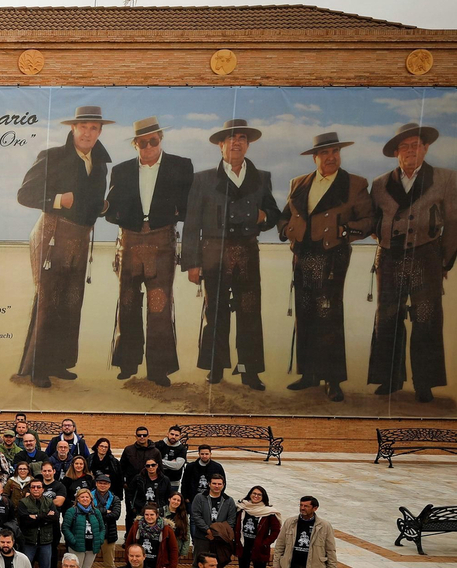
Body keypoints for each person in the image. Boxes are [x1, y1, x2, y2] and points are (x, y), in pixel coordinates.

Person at [15, 105, 113, 388]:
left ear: (100, 132)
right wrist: (58, 199)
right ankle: (37, 369)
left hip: (79, 239)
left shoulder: (101, 163)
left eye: (93, 128)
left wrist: (103, 207)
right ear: (73, 128)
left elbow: (91, 200)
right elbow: (25, 195)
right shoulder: (52, 155)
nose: (87, 132)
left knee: (71, 301)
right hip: (52, 235)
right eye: (83, 127)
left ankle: (59, 364)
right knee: (49, 299)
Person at [183, 119, 281, 389]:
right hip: (213, 254)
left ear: (248, 145)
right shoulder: (202, 179)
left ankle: (250, 371)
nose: (236, 143)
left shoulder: (262, 178)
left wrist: (262, 215)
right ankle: (215, 368)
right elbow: (191, 224)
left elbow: (274, 214)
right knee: (215, 313)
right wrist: (192, 263)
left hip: (248, 253)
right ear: (220, 145)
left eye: (241, 138)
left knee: (250, 313)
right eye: (230, 138)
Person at [278, 132, 374, 401]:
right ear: (315, 157)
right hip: (303, 255)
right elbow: (284, 215)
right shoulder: (298, 183)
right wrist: (287, 230)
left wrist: (345, 231)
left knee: (328, 314)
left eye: (336, 152)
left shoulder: (354, 184)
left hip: (333, 256)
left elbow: (368, 220)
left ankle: (333, 380)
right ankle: (308, 374)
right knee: (305, 311)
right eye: (326, 153)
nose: (332, 157)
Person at [367, 122, 456, 402]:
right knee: (388, 317)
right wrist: (383, 237)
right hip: (390, 258)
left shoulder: (445, 178)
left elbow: (453, 223)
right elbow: (372, 220)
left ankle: (424, 383)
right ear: (396, 152)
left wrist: (444, 262)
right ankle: (389, 380)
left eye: (415, 145)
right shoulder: (380, 183)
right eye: (404, 147)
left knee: (427, 318)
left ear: (426, 148)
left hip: (426, 257)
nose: (410, 151)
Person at [106, 116, 193, 386]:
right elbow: (110, 210)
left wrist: (173, 214)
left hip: (163, 244)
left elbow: (190, 207)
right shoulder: (120, 171)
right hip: (129, 242)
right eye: (142, 143)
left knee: (159, 305)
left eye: (152, 141)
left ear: (160, 140)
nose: (148, 147)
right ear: (135, 145)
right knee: (129, 302)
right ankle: (128, 363)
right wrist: (123, 216)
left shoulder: (181, 166)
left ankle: (159, 369)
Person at [234, 485, 282, 568]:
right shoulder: (242, 508)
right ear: (250, 494)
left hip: (259, 549)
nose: (256, 496)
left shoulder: (268, 512)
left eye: (259, 495)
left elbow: (276, 530)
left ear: (263, 497)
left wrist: (265, 543)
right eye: (254, 493)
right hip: (244, 546)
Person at [61, 487, 106, 568]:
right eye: (82, 497)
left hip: (92, 546)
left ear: (91, 499)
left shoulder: (96, 512)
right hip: (77, 547)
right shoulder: (71, 511)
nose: (85, 499)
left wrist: (100, 540)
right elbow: (65, 528)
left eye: (87, 497)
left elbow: (102, 528)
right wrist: (73, 540)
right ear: (77, 499)